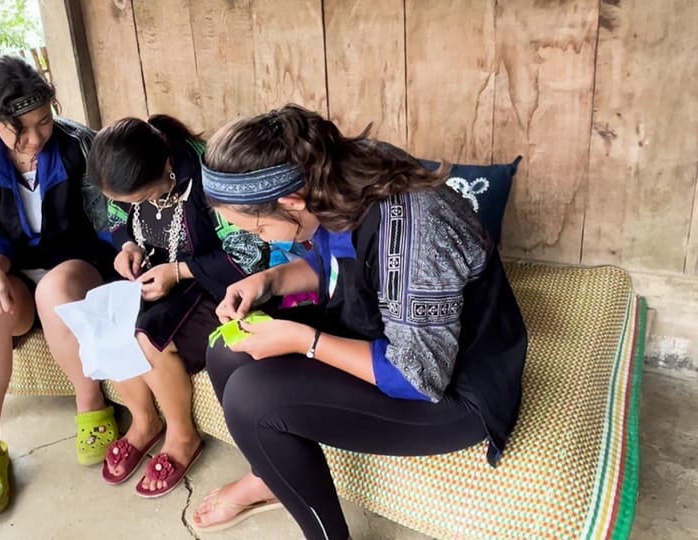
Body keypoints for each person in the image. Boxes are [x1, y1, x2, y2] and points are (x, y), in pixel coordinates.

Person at [190, 104, 528, 539]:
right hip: (379, 326)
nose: (260, 239)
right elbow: (340, 266)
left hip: (453, 390)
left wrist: (303, 340)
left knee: (253, 400)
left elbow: (419, 376)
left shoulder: (413, 234)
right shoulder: (336, 171)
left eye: (257, 230)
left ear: (292, 201)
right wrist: (269, 280)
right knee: (225, 349)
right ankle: (270, 476)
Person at [0, 55, 119, 518]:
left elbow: (108, 224)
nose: (36, 138)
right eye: (19, 130)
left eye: (43, 121)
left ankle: (92, 404)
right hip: (16, 273)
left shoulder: (82, 145)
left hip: (79, 269)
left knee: (55, 291)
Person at [82, 115, 267, 498]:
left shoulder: (210, 176)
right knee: (108, 323)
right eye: (128, 201)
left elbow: (251, 254)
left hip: (217, 286)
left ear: (165, 166)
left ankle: (182, 435)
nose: (134, 206)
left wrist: (179, 271)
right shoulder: (129, 176)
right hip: (159, 280)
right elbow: (118, 223)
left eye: (140, 198)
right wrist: (127, 249)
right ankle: (144, 421)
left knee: (148, 337)